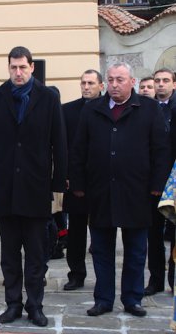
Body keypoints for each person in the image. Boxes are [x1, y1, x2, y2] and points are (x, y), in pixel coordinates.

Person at [70, 62, 170, 317]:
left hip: (137, 191)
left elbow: (160, 150)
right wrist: (79, 184)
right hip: (100, 191)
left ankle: (132, 298)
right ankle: (104, 299)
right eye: (111, 80)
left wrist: (158, 185)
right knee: (101, 249)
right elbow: (79, 149)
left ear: (132, 82)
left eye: (120, 80)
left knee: (136, 250)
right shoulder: (93, 109)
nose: (114, 85)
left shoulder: (148, 109)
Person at [0, 46, 67, 327]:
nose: (18, 73)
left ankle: (35, 305)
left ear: (32, 67)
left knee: (36, 254)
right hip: (5, 188)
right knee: (9, 253)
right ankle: (13, 304)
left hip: (35, 187)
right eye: (13, 68)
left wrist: (58, 183)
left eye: (23, 67)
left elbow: (59, 142)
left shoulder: (48, 98)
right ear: (8, 68)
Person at [62, 69, 104, 291]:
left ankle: (103, 276)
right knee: (76, 232)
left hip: (102, 181)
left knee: (101, 232)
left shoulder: (108, 109)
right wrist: (66, 176)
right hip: (75, 181)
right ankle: (76, 274)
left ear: (100, 86)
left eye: (91, 83)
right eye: (83, 83)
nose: (86, 87)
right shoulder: (68, 111)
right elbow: (63, 147)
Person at [145, 68, 176, 296]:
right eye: (157, 81)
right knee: (153, 235)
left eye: (166, 81)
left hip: (174, 181)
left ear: (173, 84)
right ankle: (155, 280)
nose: (161, 84)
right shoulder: (147, 109)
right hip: (152, 182)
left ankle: (173, 280)